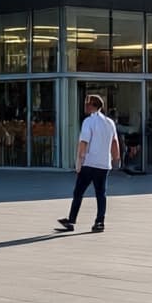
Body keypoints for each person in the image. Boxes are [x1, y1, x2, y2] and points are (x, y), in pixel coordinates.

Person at [57, 94, 119, 234]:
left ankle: (71, 220)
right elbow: (115, 142)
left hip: (90, 163)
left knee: (78, 192)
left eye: (87, 103)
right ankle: (99, 222)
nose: (85, 106)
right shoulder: (110, 122)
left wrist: (79, 162)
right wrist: (116, 159)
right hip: (103, 164)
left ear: (92, 105)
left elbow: (83, 143)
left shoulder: (88, 122)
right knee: (101, 193)